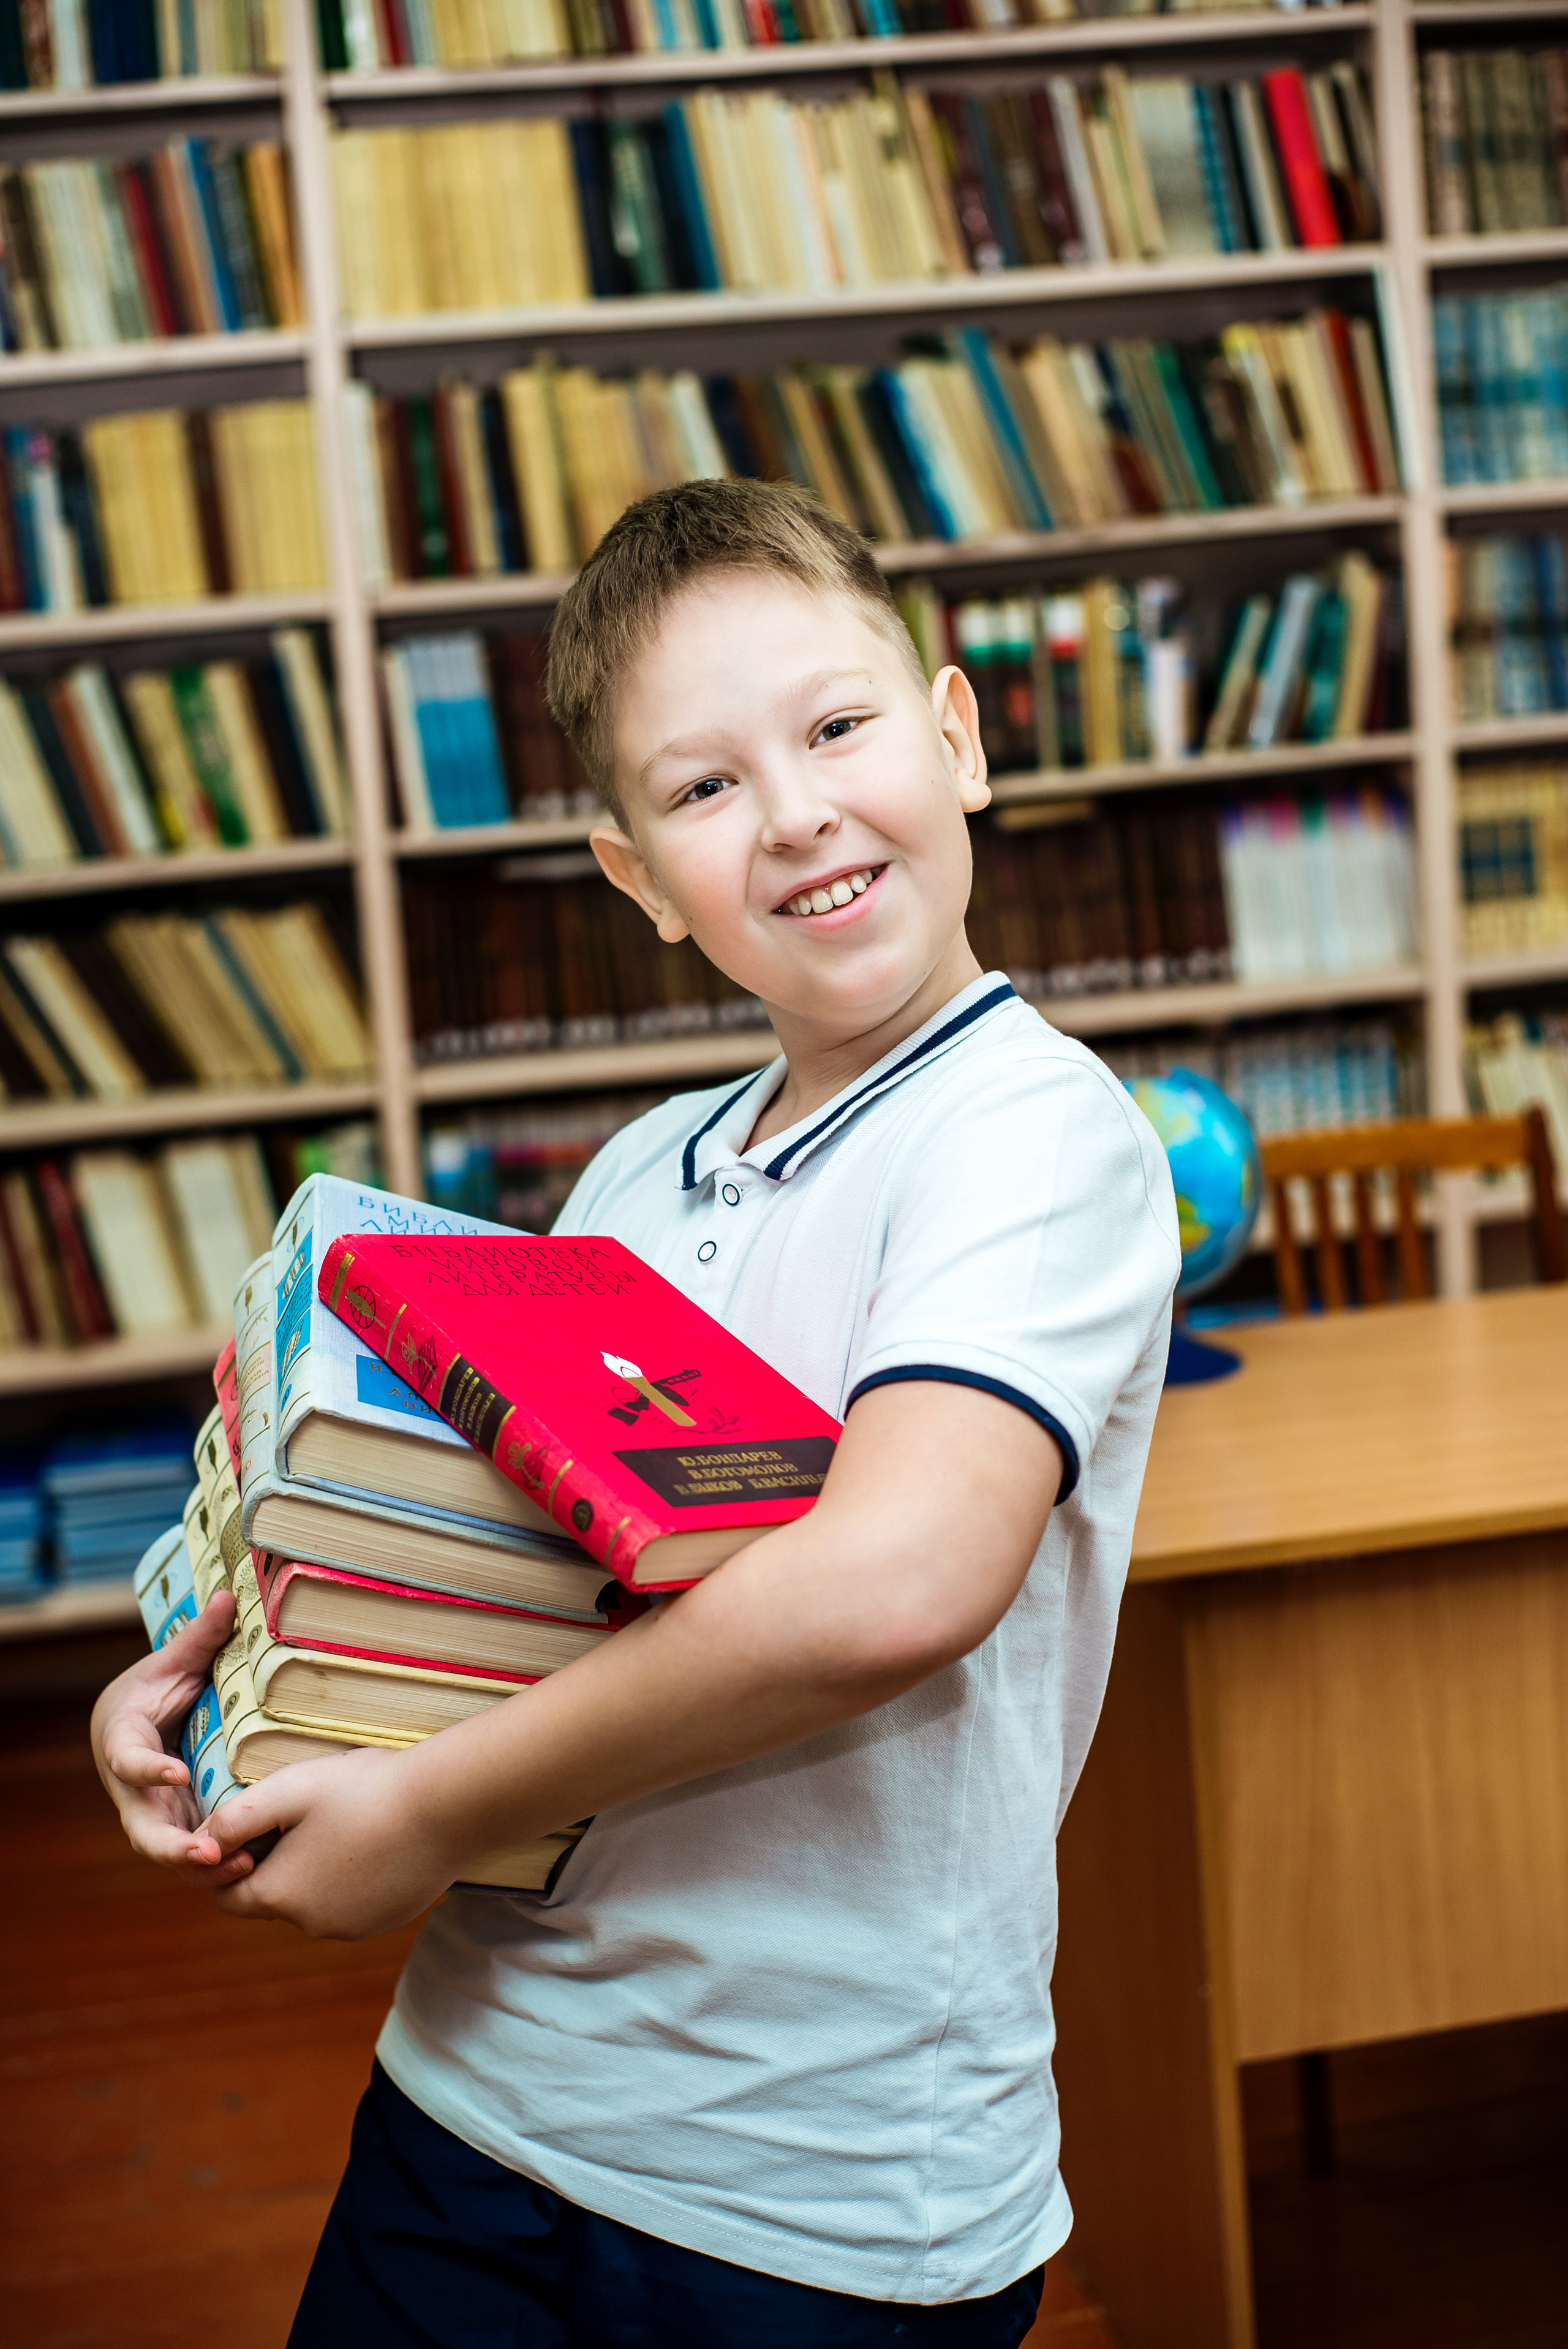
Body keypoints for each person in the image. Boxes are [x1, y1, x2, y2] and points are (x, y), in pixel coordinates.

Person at [91, 479, 1180, 2347]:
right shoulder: (627, 1182)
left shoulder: (1036, 1130)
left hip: (806, 2195)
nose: (800, 812)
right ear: (640, 885)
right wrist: (226, 1701)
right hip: (477, 2087)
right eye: (704, 787)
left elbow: (893, 1583)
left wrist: (425, 1808)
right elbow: (486, 1583)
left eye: (836, 728)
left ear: (958, 735)